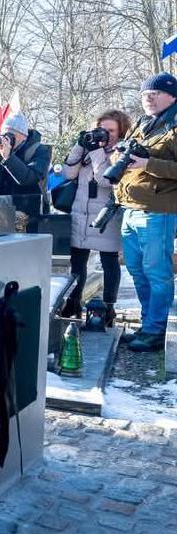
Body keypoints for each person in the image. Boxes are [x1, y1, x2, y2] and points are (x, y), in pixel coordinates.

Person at [114, 72, 177, 352]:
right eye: (144, 94)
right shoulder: (143, 124)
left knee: (156, 271)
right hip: (130, 208)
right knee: (137, 272)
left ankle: (155, 330)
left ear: (172, 95)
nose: (148, 98)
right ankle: (148, 323)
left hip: (158, 210)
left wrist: (148, 164)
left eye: (155, 94)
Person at [60, 110, 132, 326]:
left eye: (111, 130)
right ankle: (72, 304)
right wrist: (80, 146)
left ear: (120, 132)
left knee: (109, 262)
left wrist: (97, 153)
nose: (105, 135)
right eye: (102, 130)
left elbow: (106, 180)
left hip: (106, 217)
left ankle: (108, 308)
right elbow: (68, 174)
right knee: (77, 262)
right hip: (80, 214)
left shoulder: (122, 151)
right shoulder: (89, 146)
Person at [0, 112, 52, 197]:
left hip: (24, 207)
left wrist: (8, 158)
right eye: (5, 134)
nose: (7, 138)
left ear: (24, 137)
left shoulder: (40, 151)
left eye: (12, 135)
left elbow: (29, 179)